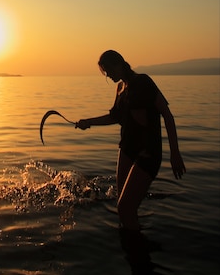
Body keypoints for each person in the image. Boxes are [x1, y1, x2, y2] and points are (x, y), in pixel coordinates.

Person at [75, 50, 186, 232]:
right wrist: (89, 122)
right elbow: (115, 117)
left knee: (125, 208)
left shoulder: (143, 82)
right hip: (126, 149)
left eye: (108, 71)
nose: (108, 76)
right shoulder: (120, 88)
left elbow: (167, 115)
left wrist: (175, 153)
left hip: (147, 152)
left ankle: (137, 251)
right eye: (105, 73)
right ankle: (129, 242)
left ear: (118, 64)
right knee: (124, 206)